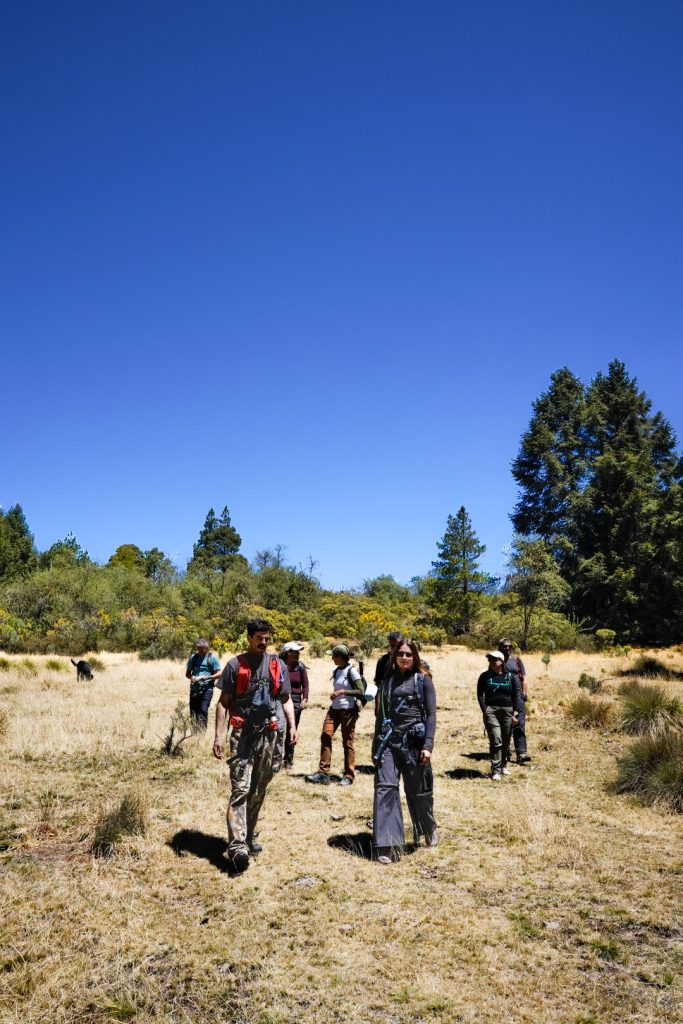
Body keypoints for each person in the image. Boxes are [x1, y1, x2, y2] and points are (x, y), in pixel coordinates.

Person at [213, 619, 297, 872]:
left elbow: (285, 698)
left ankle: (248, 837)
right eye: (258, 638)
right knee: (241, 787)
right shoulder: (235, 666)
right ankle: (237, 846)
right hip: (242, 736)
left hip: (269, 737)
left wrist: (292, 726)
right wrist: (217, 736)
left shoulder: (277, 665)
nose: (263, 642)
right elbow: (222, 702)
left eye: (267, 638)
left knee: (259, 788)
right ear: (248, 638)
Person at [373, 638, 438, 863]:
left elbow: (431, 715)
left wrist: (427, 745)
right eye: (400, 653)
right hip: (389, 743)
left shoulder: (423, 681)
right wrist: (377, 747)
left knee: (419, 792)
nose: (404, 658)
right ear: (394, 656)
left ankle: (427, 828)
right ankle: (388, 845)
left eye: (409, 654)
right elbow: (380, 716)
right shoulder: (387, 682)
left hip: (415, 744)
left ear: (415, 657)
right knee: (386, 788)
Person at [306, 644, 365, 787]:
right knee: (326, 735)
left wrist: (342, 692)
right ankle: (323, 773)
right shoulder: (337, 670)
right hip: (334, 709)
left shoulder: (352, 672)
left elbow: (361, 691)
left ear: (340, 657)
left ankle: (349, 775)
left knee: (347, 742)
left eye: (334, 656)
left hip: (348, 710)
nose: (332, 658)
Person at [477, 650, 524, 781]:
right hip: (491, 711)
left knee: (506, 740)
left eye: (494, 659)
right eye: (490, 659)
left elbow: (516, 696)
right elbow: (480, 694)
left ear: (501, 661)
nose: (491, 661)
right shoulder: (484, 676)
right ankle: (496, 770)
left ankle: (504, 765)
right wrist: (485, 710)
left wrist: (515, 713)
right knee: (496, 740)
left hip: (508, 711)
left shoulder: (511, 677)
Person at [500, 638, 531, 764]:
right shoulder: (497, 661)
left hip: (518, 696)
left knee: (519, 723)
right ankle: (505, 750)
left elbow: (524, 678)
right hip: (504, 697)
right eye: (504, 646)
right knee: (505, 725)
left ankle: (521, 753)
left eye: (509, 646)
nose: (507, 648)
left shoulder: (517, 660)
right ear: (500, 647)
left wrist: (524, 694)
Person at [280, 642, 309, 772]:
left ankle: (289, 759)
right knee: (278, 730)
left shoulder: (300, 667)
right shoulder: (280, 665)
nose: (298, 654)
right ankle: (275, 758)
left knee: (292, 730)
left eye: (298, 651)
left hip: (296, 700)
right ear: (288, 652)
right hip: (280, 699)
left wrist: (305, 698)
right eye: (295, 651)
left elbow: (305, 684)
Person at [185, 638, 222, 730]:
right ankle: (194, 733)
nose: (200, 651)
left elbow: (220, 673)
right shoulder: (193, 658)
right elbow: (187, 673)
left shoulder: (212, 659)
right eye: (198, 649)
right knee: (193, 712)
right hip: (194, 689)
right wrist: (192, 677)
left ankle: (202, 733)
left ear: (207, 648)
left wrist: (209, 677)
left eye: (202, 649)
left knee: (203, 710)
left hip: (207, 689)